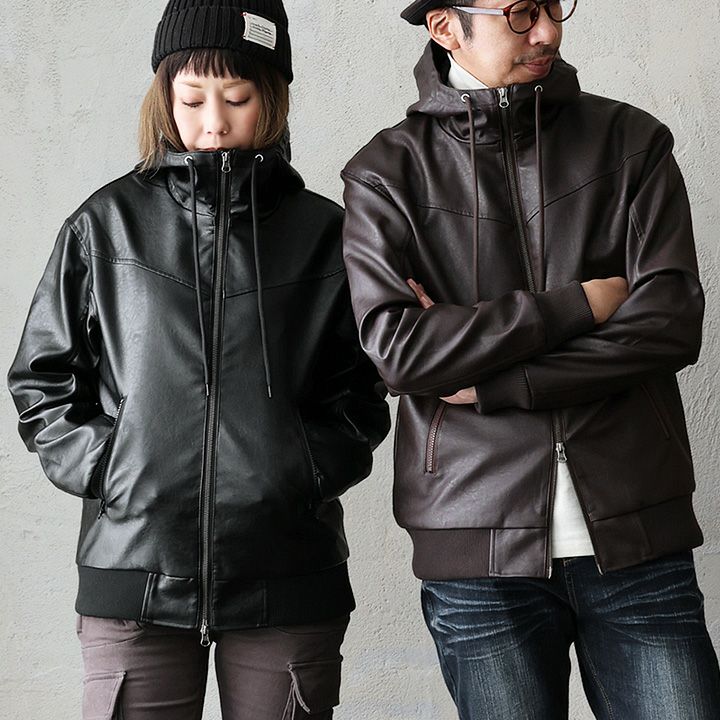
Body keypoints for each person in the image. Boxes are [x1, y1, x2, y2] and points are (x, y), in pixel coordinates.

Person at [7, 1, 390, 718]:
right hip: (133, 568)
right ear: (164, 98)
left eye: (237, 99)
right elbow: (42, 377)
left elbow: (363, 387)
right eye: (191, 100)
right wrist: (114, 468)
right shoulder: (105, 225)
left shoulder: (325, 234)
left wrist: (303, 467)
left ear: (271, 98)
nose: (213, 123)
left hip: (288, 571)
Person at [341, 1, 720, 718]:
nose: (547, 30)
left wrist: (499, 381)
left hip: (638, 534)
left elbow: (670, 325)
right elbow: (402, 352)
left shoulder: (631, 142)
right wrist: (580, 305)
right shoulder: (386, 173)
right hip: (475, 550)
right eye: (519, 12)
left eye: (552, 6)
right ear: (445, 26)